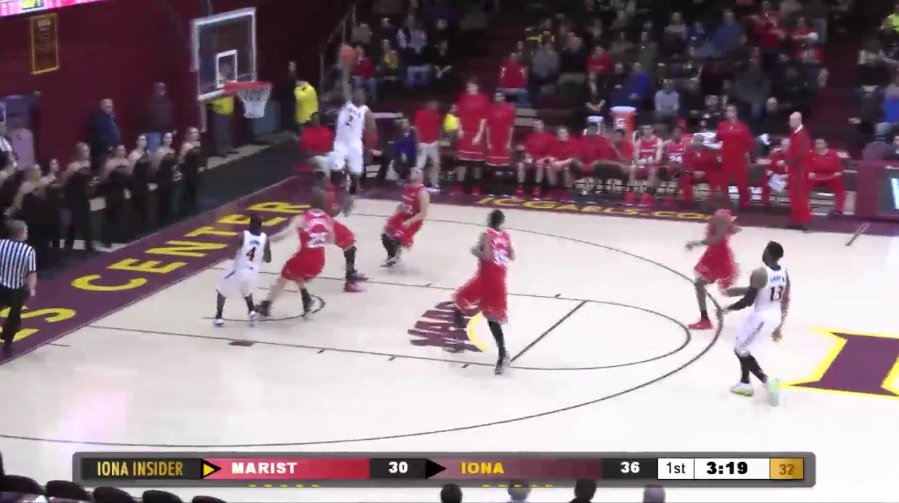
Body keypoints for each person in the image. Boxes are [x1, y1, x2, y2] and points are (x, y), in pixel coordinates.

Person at [717, 240, 787, 404]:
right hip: (775, 313)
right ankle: (745, 383)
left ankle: (767, 381)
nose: (763, 253)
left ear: (768, 254)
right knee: (741, 346)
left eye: (765, 250)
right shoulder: (784, 272)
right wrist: (736, 291)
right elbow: (767, 290)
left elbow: (748, 301)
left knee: (741, 348)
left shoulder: (759, 272)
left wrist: (728, 309)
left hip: (761, 316)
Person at [453, 209, 515, 375]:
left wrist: (475, 251)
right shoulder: (506, 236)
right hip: (499, 279)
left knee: (460, 299)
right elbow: (512, 256)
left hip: (485, 278)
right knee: (492, 319)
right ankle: (502, 354)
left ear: (489, 220)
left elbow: (486, 256)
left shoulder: (487, 235)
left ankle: (459, 341)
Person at [257, 190, 333, 319]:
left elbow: (284, 235)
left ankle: (266, 305)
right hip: (319, 260)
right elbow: (331, 240)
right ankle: (306, 299)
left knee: (283, 278)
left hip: (304, 257)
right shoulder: (328, 219)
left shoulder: (302, 218)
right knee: (295, 274)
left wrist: (268, 239)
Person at [686, 209, 741, 330]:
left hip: (718, 257)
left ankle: (756, 291)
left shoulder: (720, 217)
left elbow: (718, 238)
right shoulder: (723, 215)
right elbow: (733, 229)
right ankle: (704, 319)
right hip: (715, 254)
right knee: (703, 285)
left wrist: (696, 243)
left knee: (722, 290)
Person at [314, 166, 367, 291]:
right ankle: (349, 281)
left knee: (350, 245)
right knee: (349, 246)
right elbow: (329, 212)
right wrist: (344, 206)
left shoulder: (325, 189)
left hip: (327, 221)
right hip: (324, 223)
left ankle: (351, 273)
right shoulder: (320, 193)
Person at [331, 66, 377, 210]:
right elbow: (345, 85)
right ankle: (335, 196)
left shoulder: (366, 111)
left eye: (361, 94)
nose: (358, 95)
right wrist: (345, 71)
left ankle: (351, 196)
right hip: (340, 142)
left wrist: (370, 147)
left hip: (354, 144)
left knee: (355, 173)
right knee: (336, 170)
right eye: (357, 93)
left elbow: (371, 129)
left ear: (365, 98)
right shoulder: (346, 103)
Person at [213, 215, 271, 326]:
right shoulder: (265, 238)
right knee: (246, 291)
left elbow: (231, 255)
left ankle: (218, 317)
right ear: (260, 226)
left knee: (221, 291)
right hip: (253, 272)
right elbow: (268, 259)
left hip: (240, 269)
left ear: (250, 224)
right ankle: (251, 311)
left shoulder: (243, 235)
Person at [0, 220, 37, 353]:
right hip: (16, 288)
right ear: (21, 233)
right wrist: (31, 288)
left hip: (0, 285)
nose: (27, 233)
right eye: (26, 231)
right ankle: (8, 339)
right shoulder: (29, 250)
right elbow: (31, 273)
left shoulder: (1, 244)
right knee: (14, 315)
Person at [382, 167, 429, 267]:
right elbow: (405, 203)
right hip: (403, 215)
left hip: (414, 219)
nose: (412, 172)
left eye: (416, 171)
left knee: (398, 237)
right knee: (386, 235)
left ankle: (396, 256)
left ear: (421, 176)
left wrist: (409, 221)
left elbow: (423, 213)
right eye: (412, 170)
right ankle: (391, 255)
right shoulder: (407, 187)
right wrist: (399, 208)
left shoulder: (422, 193)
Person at [451, 78, 489, 196]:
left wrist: (479, 135)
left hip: (476, 133)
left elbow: (483, 118)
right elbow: (459, 116)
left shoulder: (483, 99)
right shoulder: (463, 97)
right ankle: (458, 187)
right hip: (465, 133)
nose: (470, 89)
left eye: (472, 86)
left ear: (477, 87)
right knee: (462, 162)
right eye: (468, 87)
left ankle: (476, 188)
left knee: (477, 164)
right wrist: (460, 129)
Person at [714, 105, 754, 210]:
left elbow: (748, 144)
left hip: (739, 157)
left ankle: (744, 203)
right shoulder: (722, 125)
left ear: (735, 113)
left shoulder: (743, 127)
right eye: (727, 111)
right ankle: (725, 203)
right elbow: (717, 138)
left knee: (742, 181)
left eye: (731, 111)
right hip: (726, 157)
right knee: (723, 181)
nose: (728, 113)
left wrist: (748, 159)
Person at [805, 138, 846, 215]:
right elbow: (806, 166)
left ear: (825, 145)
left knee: (839, 182)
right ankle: (805, 206)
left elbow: (839, 168)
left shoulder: (833, 153)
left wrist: (838, 172)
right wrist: (809, 172)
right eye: (817, 143)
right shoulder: (810, 153)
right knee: (805, 181)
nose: (818, 145)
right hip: (816, 176)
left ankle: (838, 209)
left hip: (830, 176)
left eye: (820, 143)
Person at [678, 133, 722, 204]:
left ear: (702, 142)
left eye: (700, 140)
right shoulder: (687, 153)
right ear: (693, 142)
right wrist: (693, 172)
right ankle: (688, 201)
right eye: (696, 140)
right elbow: (685, 165)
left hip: (706, 173)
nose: (698, 142)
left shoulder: (710, 152)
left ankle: (711, 200)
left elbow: (715, 165)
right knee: (686, 177)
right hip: (692, 173)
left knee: (714, 175)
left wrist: (704, 172)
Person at [516, 120, 555, 198]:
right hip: (530, 159)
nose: (536, 127)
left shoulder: (550, 137)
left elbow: (551, 154)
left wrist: (543, 159)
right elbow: (525, 150)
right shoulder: (529, 136)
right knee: (520, 164)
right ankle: (520, 187)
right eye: (534, 125)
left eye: (538, 125)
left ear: (542, 125)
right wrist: (527, 156)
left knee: (539, 165)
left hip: (542, 160)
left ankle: (537, 189)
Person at [787, 112, 812, 229]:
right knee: (794, 196)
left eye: (792, 120)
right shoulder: (794, 134)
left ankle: (805, 221)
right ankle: (795, 220)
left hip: (800, 170)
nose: (790, 122)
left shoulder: (802, 135)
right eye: (790, 120)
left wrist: (787, 162)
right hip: (794, 169)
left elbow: (800, 154)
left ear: (799, 120)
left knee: (801, 196)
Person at [627, 124, 663, 206]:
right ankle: (630, 193)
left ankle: (647, 194)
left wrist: (650, 161)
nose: (646, 131)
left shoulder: (658, 141)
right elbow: (635, 158)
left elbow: (658, 159)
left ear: (652, 130)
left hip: (653, 165)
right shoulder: (639, 141)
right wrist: (639, 161)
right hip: (642, 165)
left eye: (648, 129)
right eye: (644, 129)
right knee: (632, 168)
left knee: (653, 171)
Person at [414, 100, 443, 192]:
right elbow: (417, 128)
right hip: (423, 143)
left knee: (436, 163)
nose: (436, 106)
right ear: (429, 104)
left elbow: (439, 128)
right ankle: (417, 183)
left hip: (434, 143)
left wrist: (439, 141)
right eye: (435, 104)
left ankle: (434, 183)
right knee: (419, 165)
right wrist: (418, 142)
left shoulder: (437, 115)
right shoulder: (420, 114)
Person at [485, 91, 516, 172]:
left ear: (503, 97)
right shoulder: (490, 108)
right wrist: (488, 142)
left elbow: (511, 127)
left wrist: (509, 142)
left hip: (504, 138)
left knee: (504, 165)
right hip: (493, 138)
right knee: (492, 165)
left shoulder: (509, 108)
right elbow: (488, 126)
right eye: (496, 96)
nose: (498, 98)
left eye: (499, 96)